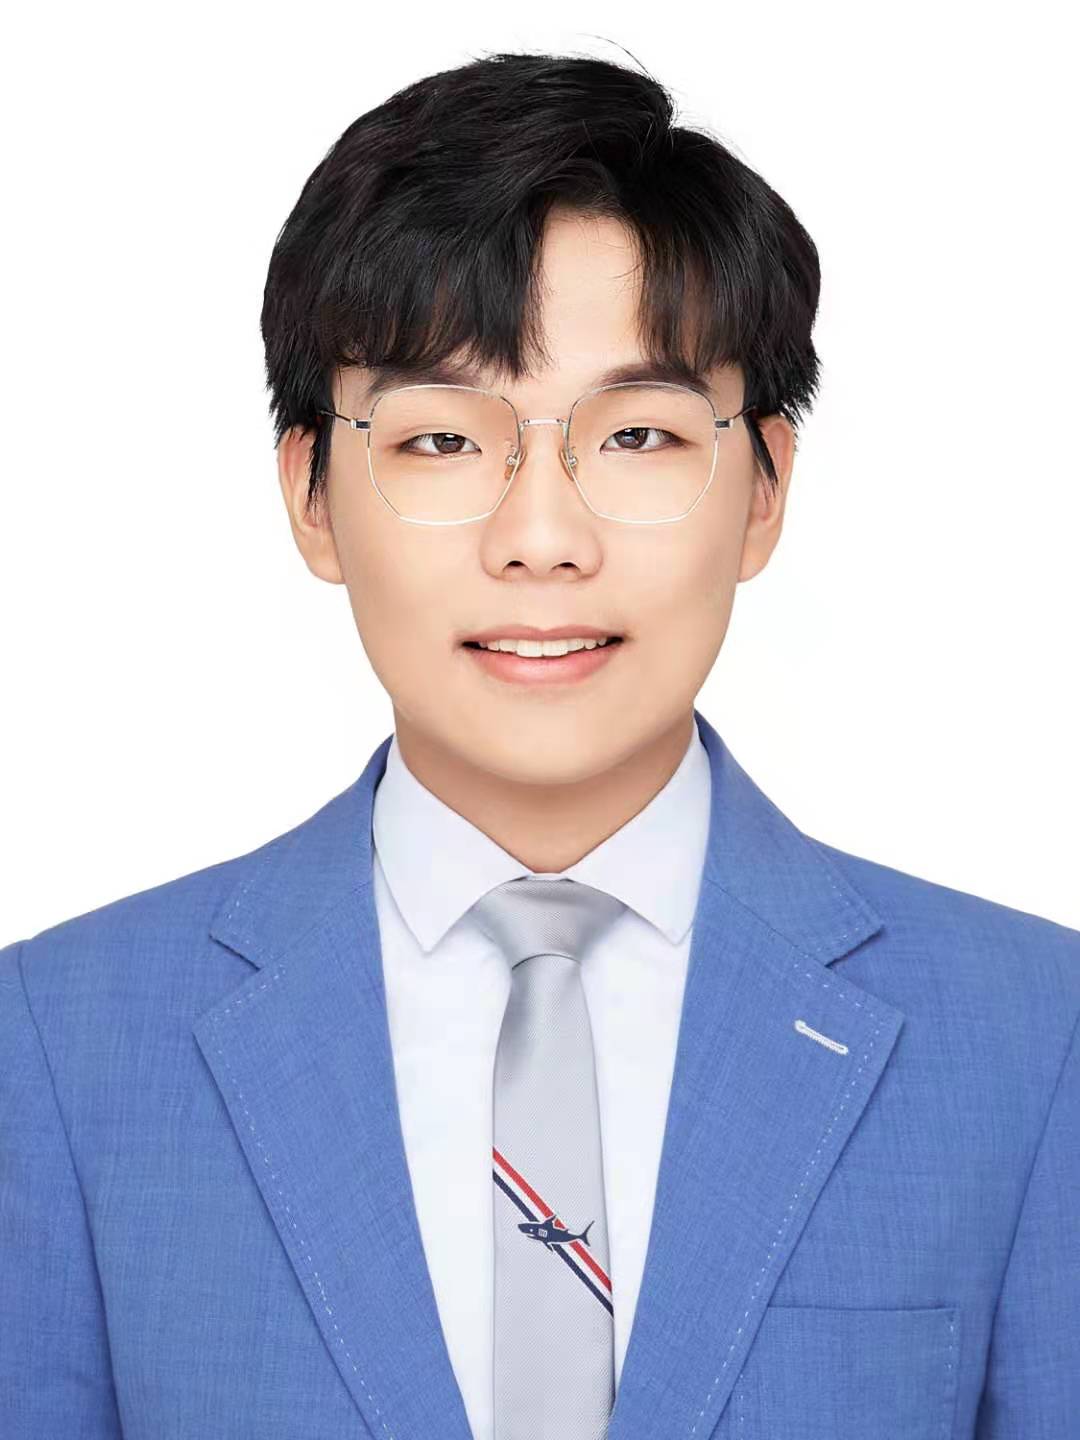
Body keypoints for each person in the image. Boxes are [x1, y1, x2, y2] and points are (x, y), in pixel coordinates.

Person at [2, 49, 1076, 1440]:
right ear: (313, 497)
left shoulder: (1035, 1038)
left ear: (764, 489)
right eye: (442, 441)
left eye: (638, 435)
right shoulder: (57, 1046)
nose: (543, 538)